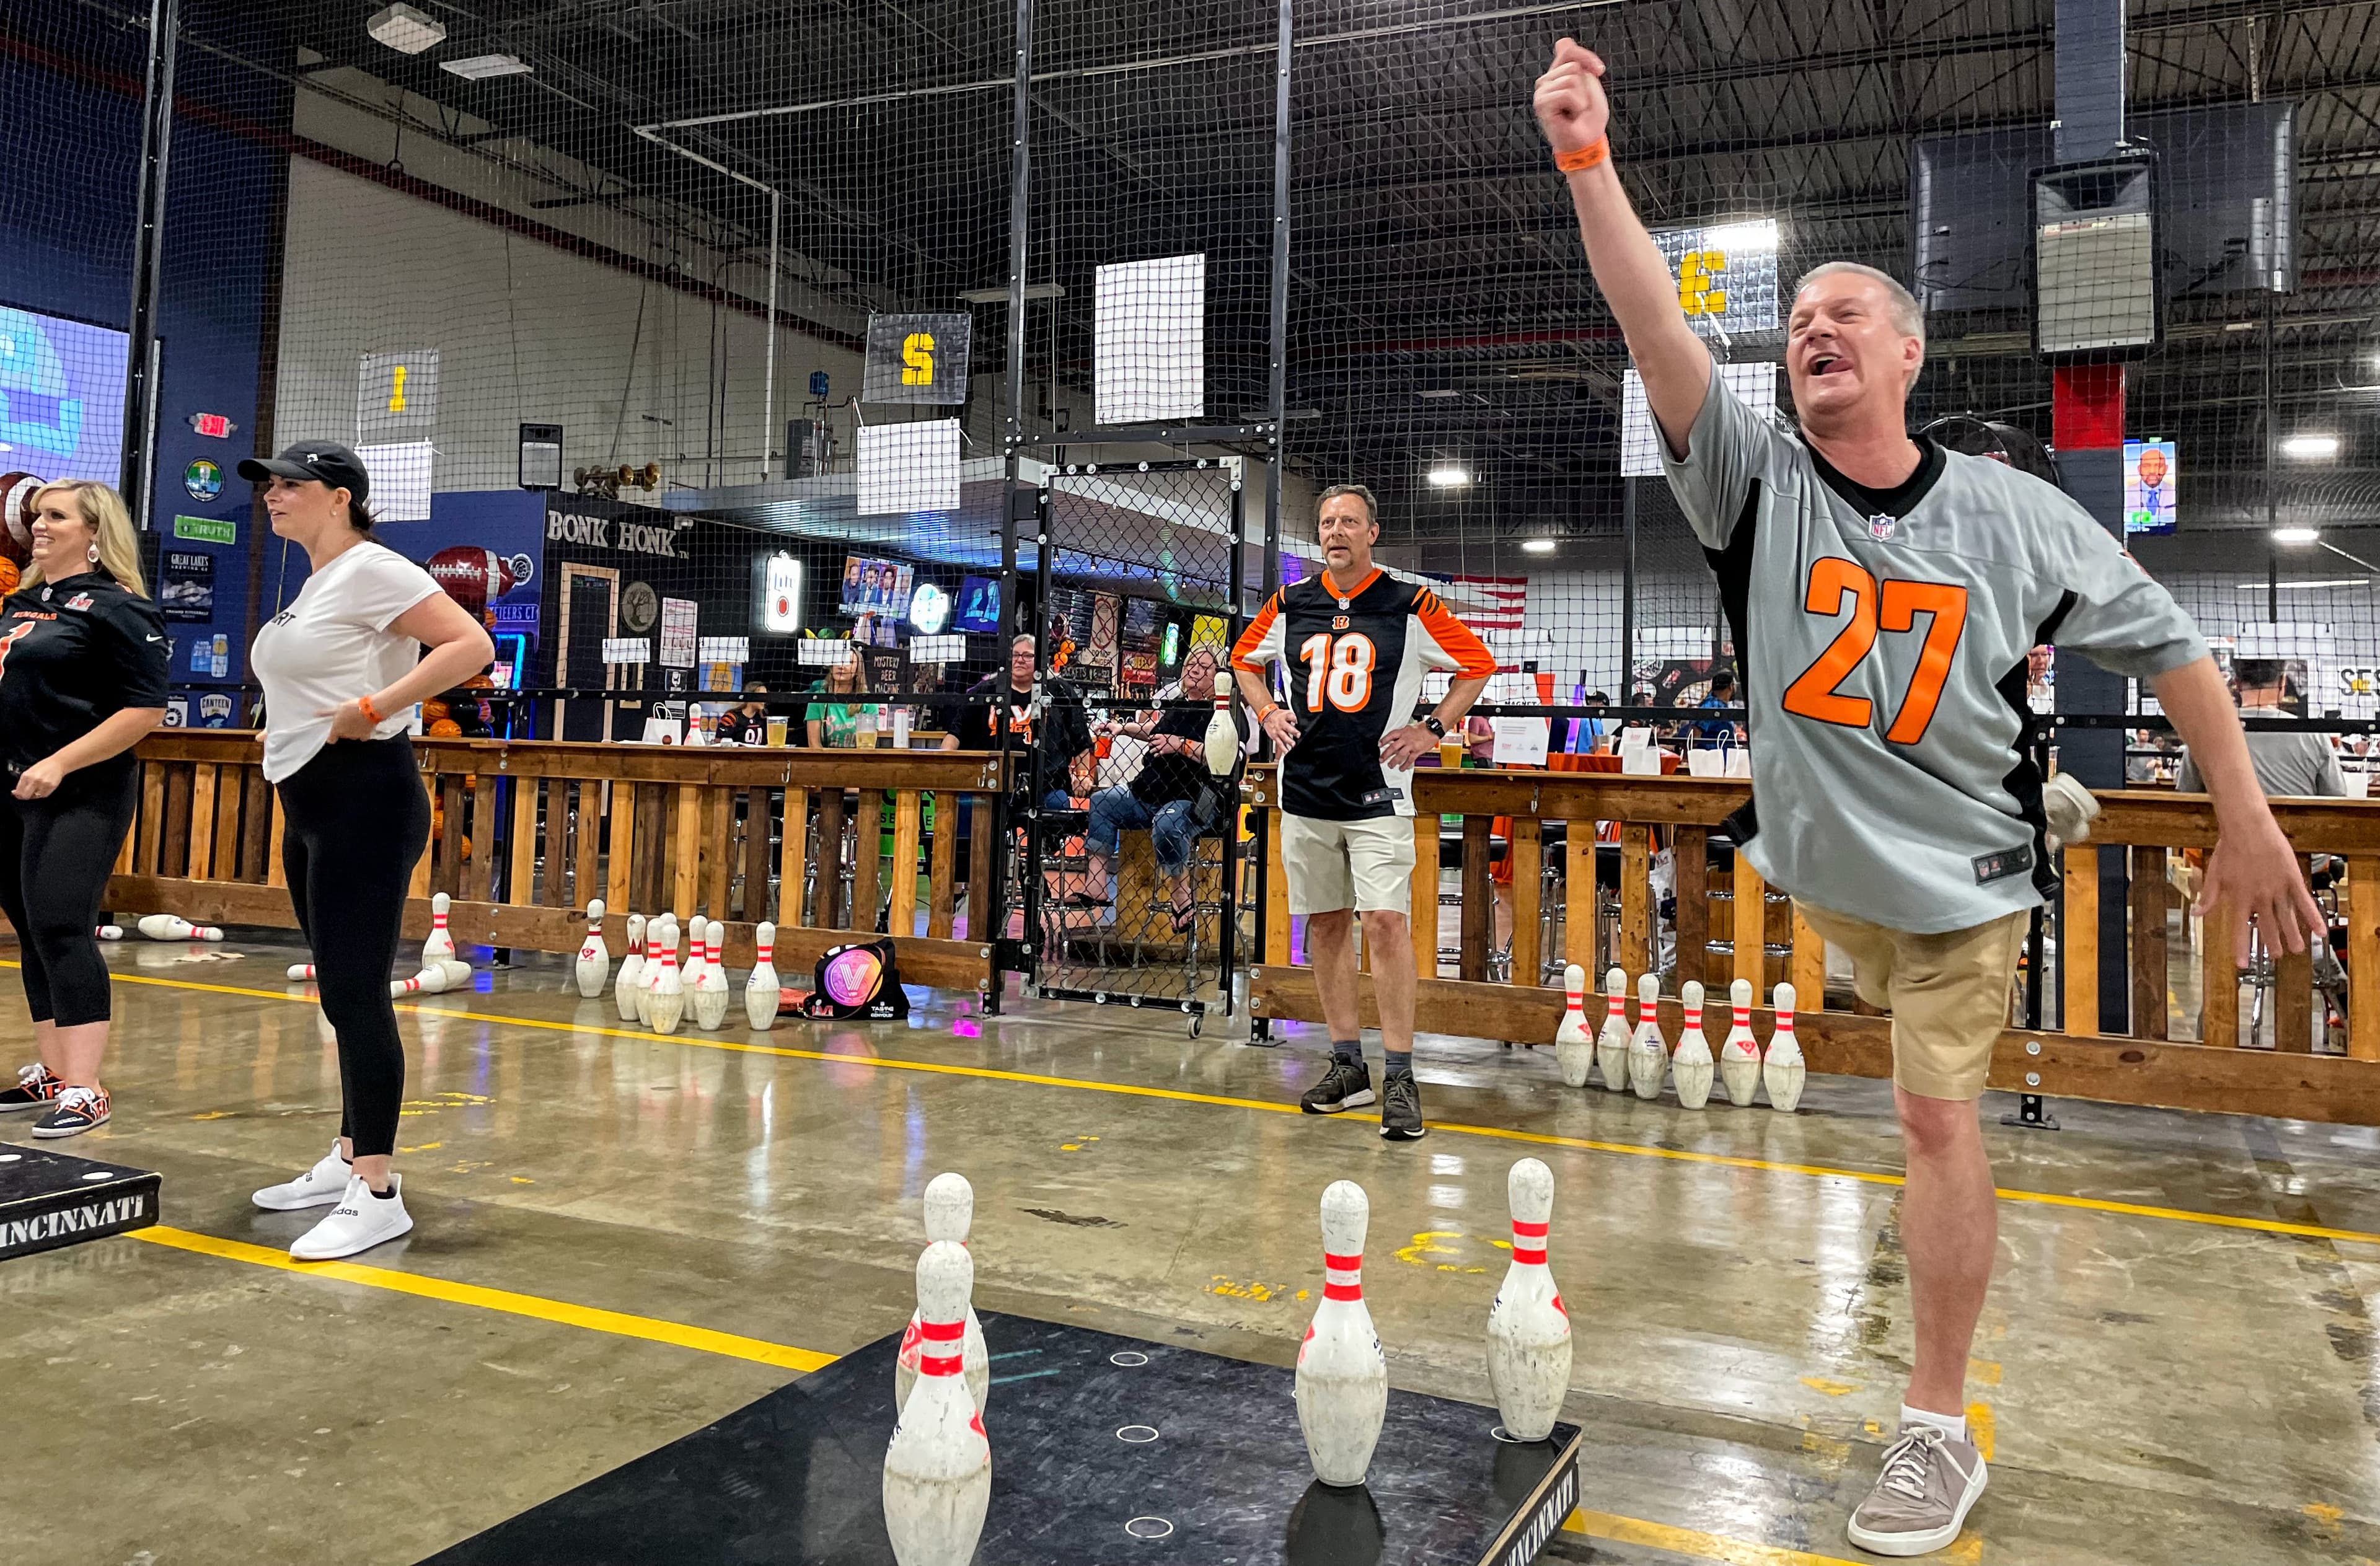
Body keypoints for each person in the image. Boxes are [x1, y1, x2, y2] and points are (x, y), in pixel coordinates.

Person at [1534, 39, 2324, 1557]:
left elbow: (2174, 654)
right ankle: (2038, 796)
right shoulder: (1753, 482)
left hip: (1955, 876)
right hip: (1825, 870)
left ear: (1906, 358)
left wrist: (2245, 813)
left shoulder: (2010, 514)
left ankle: (1932, 1427)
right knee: (1902, 1052)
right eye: (1797, 319)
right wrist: (1588, 161)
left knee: (1929, 1115)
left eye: (1846, 313)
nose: (1813, 327)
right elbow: (1648, 320)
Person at [240, 442, 493, 1261]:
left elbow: (471, 646)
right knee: (340, 991)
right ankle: (349, 1154)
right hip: (309, 799)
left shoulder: (374, 568)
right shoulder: (315, 583)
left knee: (358, 992)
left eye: (289, 484)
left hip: (365, 798)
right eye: (269, 486)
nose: (273, 496)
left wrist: (376, 703)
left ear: (340, 496)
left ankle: (378, 1190)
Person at [1232, 483, 1496, 1140]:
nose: (1336, 531)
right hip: (1306, 793)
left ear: (1372, 533)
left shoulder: (1410, 602)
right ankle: (1347, 1065)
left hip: (1379, 794)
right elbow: (1243, 661)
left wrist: (1431, 728)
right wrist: (1267, 712)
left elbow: (1477, 664)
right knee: (1324, 927)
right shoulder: (1290, 602)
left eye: (1349, 521)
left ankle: (1401, 1073)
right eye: (1326, 522)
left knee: (1383, 922)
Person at [0, 481, 169, 1137]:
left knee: (65, 926)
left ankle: (86, 1087)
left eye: (54, 517)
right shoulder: (24, 601)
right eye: (37, 516)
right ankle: (54, 1068)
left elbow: (145, 709)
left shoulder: (119, 609)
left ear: (95, 533)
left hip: (80, 793)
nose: (37, 526)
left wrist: (61, 761)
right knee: (32, 929)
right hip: (11, 789)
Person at [1080, 646, 1223, 930]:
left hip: (1190, 797)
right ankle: (1096, 883)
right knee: (1103, 801)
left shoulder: (1221, 713)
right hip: (1148, 791)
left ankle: (1181, 894)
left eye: (1204, 666)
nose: (1193, 669)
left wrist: (1180, 746)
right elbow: (1155, 733)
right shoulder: (1177, 704)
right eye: (1190, 664)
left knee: (1168, 823)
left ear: (1218, 676)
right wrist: (1122, 729)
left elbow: (1226, 758)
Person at [941, 633, 1094, 812]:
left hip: (1047, 784)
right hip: (988, 781)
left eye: (1028, 655)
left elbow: (1081, 740)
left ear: (1040, 661)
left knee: (1057, 806)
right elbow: (956, 732)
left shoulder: (1059, 691)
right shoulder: (986, 690)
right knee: (964, 809)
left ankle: (1046, 842)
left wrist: (1083, 775)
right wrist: (943, 763)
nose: (1020, 660)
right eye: (1015, 655)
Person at [2176, 658, 2345, 798]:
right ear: (2283, 683)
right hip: (2295, 837)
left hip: (2226, 836)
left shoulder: (2205, 733)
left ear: (2238, 684)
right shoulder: (2312, 734)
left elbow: (2187, 794)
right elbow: (2337, 796)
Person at [806, 656, 876, 747]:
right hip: (824, 760)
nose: (841, 666)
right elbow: (814, 744)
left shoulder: (868, 701)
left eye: (848, 662)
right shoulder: (817, 699)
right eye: (838, 661)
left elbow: (868, 746)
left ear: (858, 670)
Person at [718, 682, 771, 746]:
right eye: (762, 696)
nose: (764, 700)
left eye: (766, 696)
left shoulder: (763, 719)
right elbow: (720, 742)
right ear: (750, 696)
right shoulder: (731, 718)